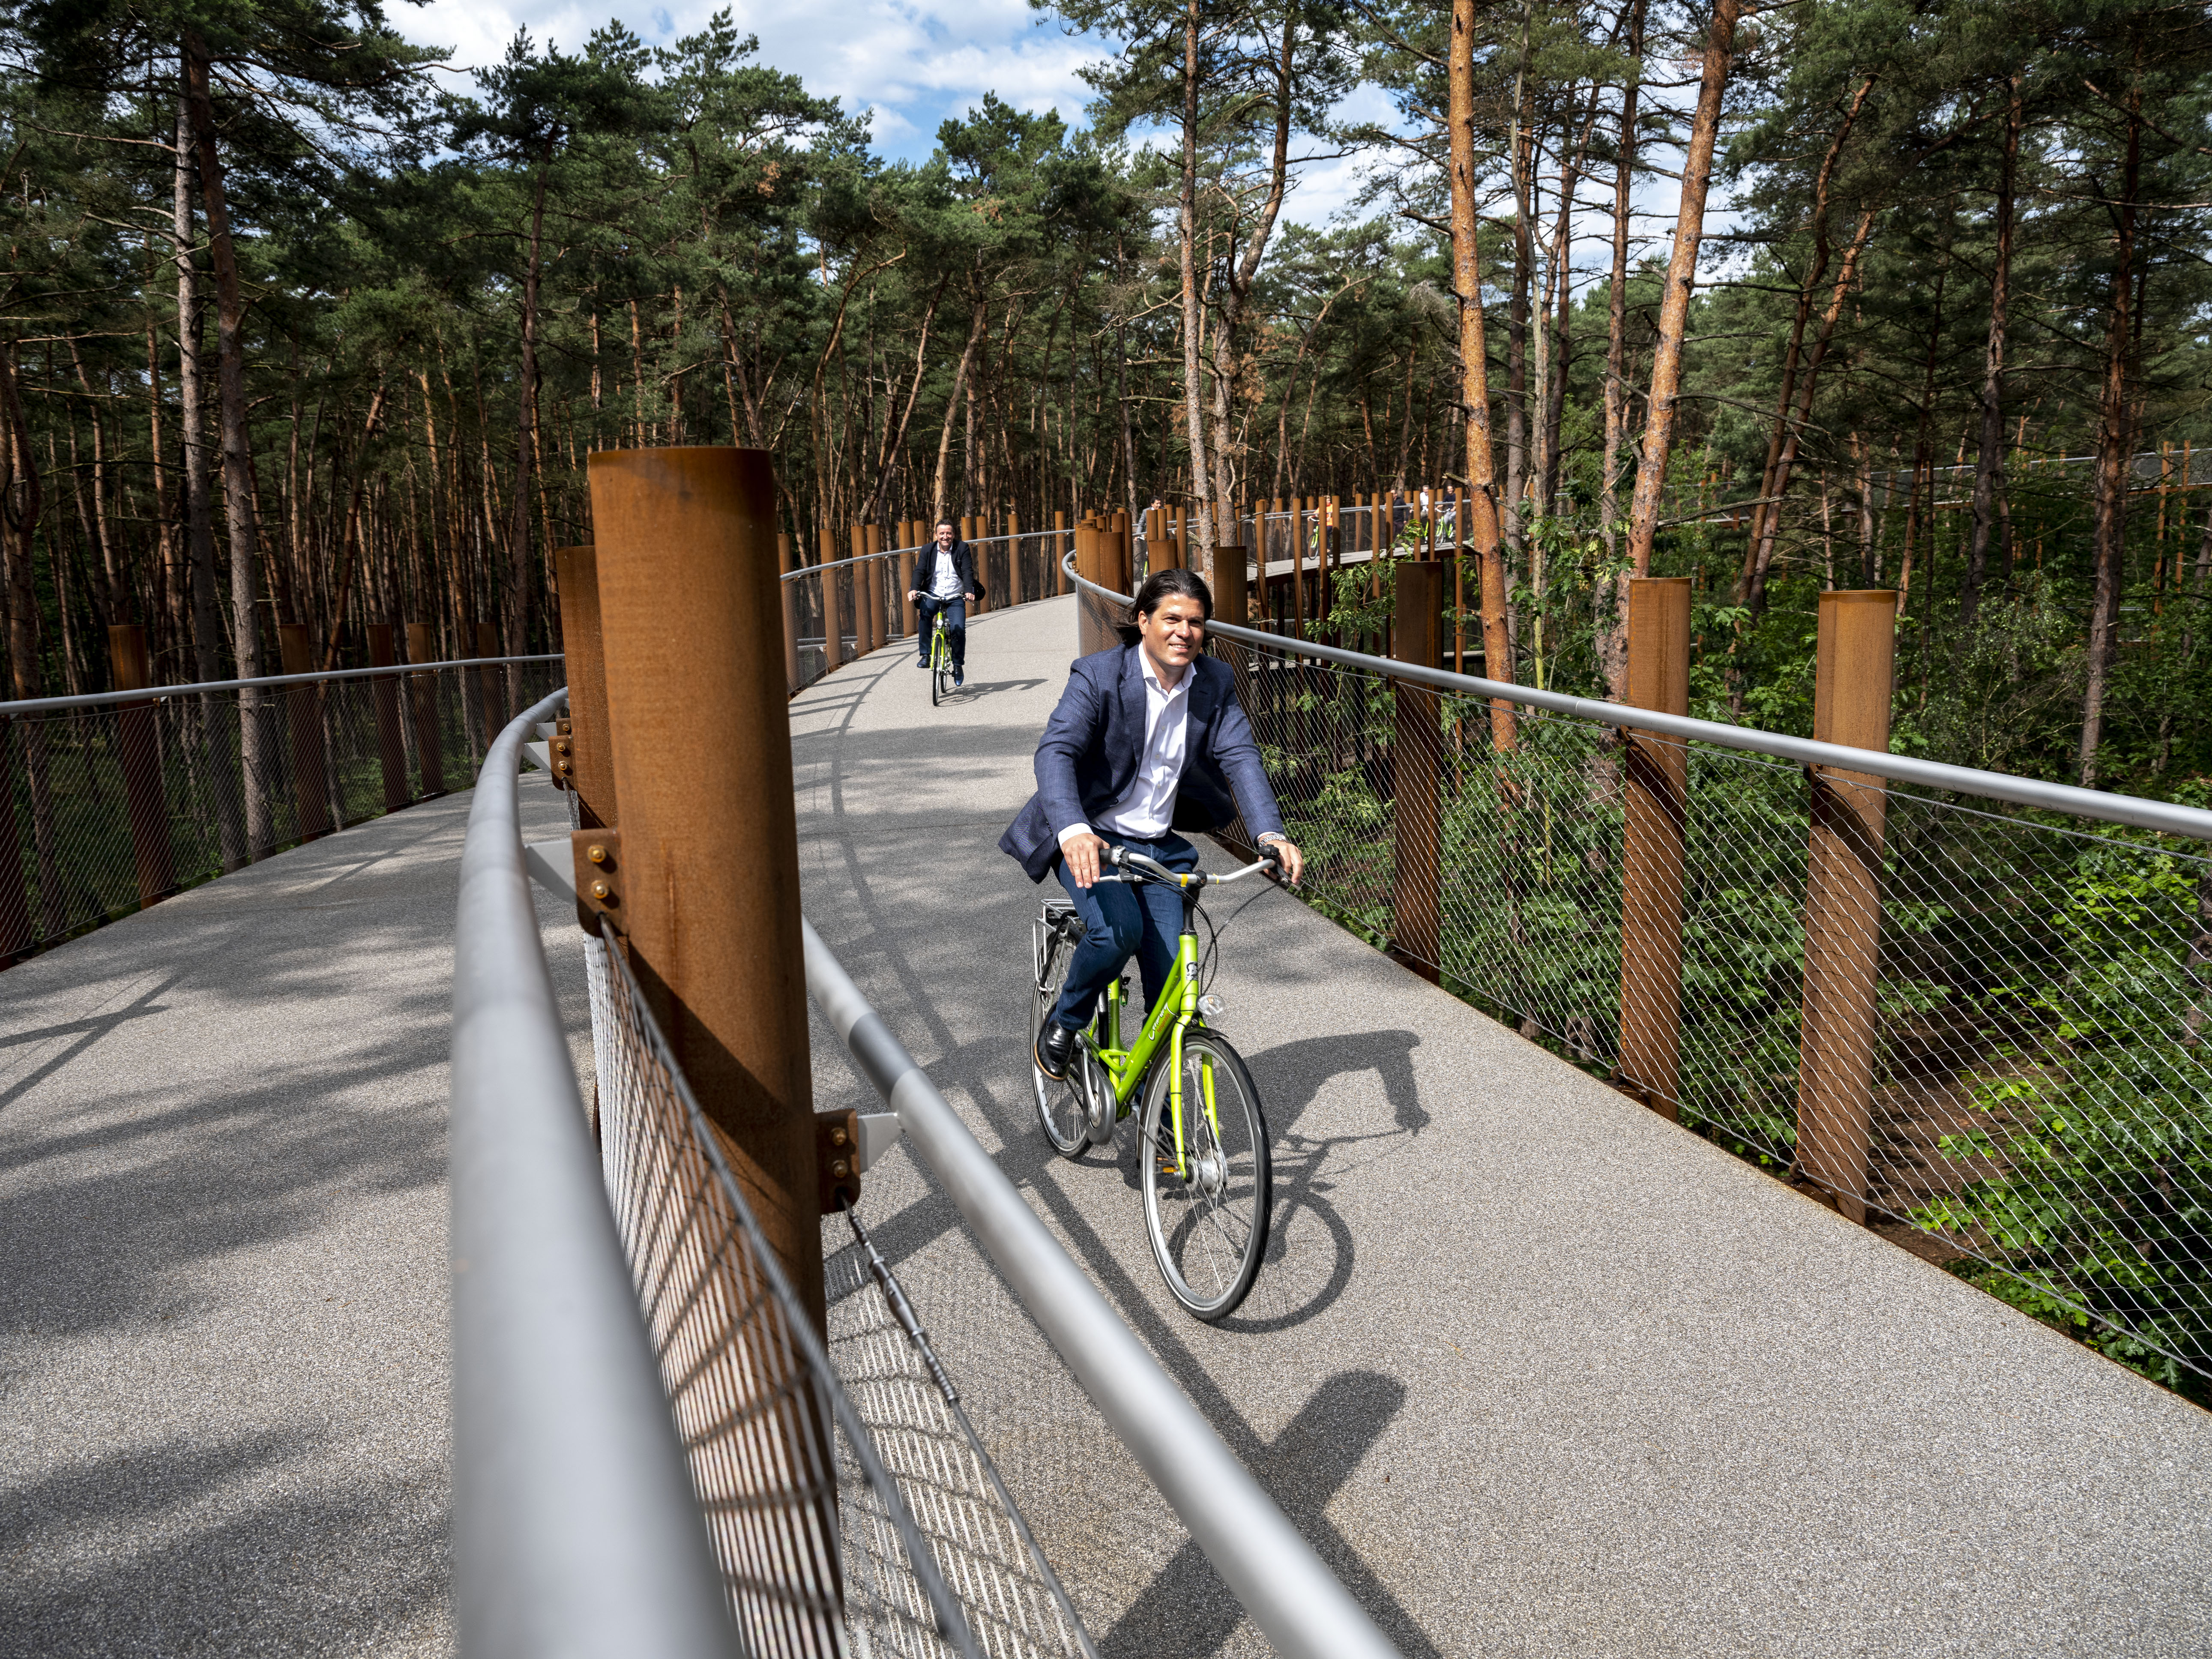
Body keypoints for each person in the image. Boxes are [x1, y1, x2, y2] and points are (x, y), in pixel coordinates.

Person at [1000, 567, 1305, 1081]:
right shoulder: (1099, 675)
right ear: (1143, 621)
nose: (1184, 631)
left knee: (1173, 984)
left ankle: (1162, 1117)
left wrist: (1270, 834)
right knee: (1118, 932)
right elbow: (1056, 752)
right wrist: (1072, 828)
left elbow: (1242, 757)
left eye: (1196, 622)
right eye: (1172, 618)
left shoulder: (1215, 682)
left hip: (1160, 845)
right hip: (1093, 837)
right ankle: (1067, 1020)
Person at [908, 520, 982, 687]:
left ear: (953, 535)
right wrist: (914, 589)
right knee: (925, 616)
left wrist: (969, 590)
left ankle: (957, 666)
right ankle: (926, 655)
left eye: (949, 533)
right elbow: (919, 570)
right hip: (934, 593)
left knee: (959, 629)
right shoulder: (927, 550)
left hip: (955, 595)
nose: (945, 536)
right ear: (936, 535)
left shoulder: (962, 548)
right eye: (942, 533)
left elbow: (967, 570)